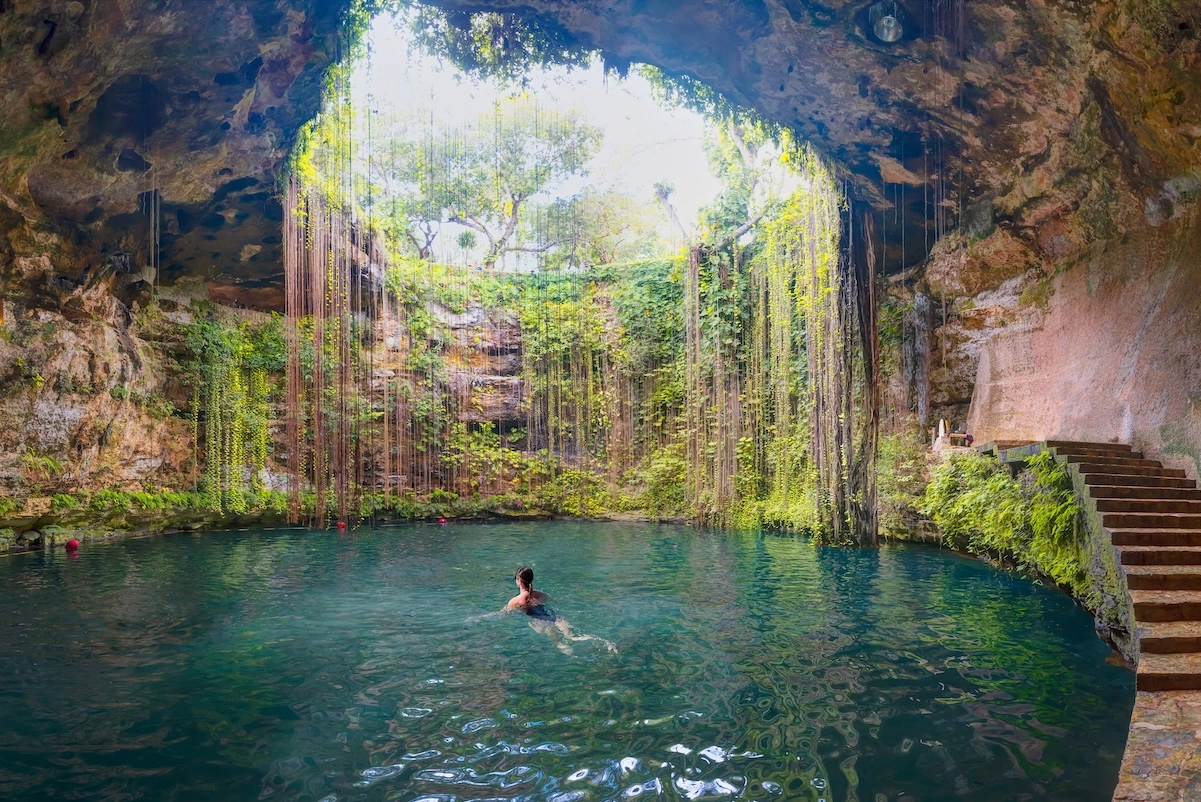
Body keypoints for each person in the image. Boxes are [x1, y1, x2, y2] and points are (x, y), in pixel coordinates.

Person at [504, 565, 616, 654]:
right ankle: (607, 643)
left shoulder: (515, 601)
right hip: (556, 618)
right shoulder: (541, 595)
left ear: (518, 580)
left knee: (559, 643)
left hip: (542, 622)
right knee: (573, 637)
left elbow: (504, 613)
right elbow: (554, 600)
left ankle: (565, 649)